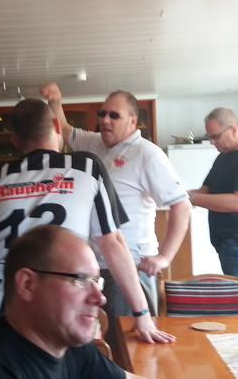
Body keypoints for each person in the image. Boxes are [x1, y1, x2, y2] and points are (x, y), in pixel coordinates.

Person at [0, 98, 174, 344]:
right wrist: (142, 313)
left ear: (15, 141)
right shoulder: (86, 166)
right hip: (61, 298)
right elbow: (112, 243)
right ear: (57, 127)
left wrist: (3, 255)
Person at [40, 83, 191, 347]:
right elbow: (63, 129)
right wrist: (55, 100)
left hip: (129, 268)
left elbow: (182, 205)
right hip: (94, 269)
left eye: (114, 115)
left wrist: (164, 257)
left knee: (130, 345)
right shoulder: (95, 143)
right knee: (100, 343)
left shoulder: (147, 154)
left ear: (132, 120)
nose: (105, 120)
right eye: (102, 114)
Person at [0, 224, 146, 379]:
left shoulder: (73, 348)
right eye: (80, 280)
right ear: (27, 284)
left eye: (96, 282)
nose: (100, 298)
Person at [186, 107, 238, 277]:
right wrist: (176, 194)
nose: (212, 142)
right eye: (209, 137)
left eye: (215, 136)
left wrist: (190, 198)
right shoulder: (224, 156)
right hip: (230, 246)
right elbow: (205, 191)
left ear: (233, 130)